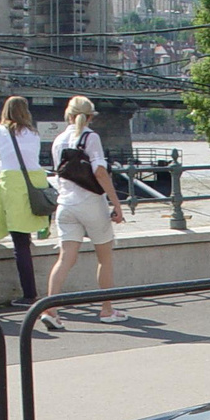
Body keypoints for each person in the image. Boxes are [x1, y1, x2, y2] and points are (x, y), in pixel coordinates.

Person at [41, 96, 128, 330]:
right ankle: (107, 310)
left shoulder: (58, 140)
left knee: (65, 259)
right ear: (90, 117)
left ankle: (50, 309)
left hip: (65, 205)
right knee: (105, 258)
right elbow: (99, 172)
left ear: (67, 114)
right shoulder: (91, 137)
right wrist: (116, 203)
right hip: (91, 203)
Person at [0, 96, 48, 308]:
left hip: (14, 186)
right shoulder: (34, 133)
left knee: (20, 242)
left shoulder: (0, 131)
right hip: (34, 183)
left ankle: (29, 295)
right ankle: (41, 231)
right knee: (24, 235)